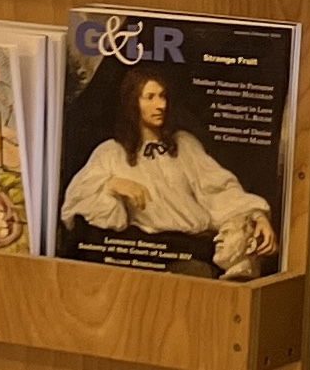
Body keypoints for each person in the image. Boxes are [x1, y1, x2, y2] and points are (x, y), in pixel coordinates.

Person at [60, 67, 275, 280]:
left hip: (195, 248)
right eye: (150, 97)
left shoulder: (184, 145)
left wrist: (256, 215)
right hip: (144, 255)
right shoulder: (110, 153)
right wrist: (111, 185)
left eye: (162, 96)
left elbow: (218, 189)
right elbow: (76, 205)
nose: (160, 105)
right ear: (132, 102)